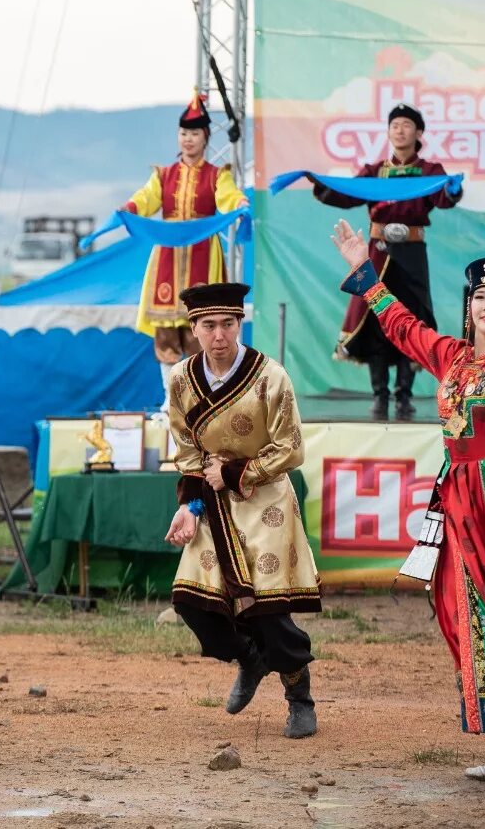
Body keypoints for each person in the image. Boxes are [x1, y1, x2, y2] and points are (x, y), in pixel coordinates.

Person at [331, 218, 485, 789]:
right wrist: (363, 271)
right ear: (468, 308)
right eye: (481, 297)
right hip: (458, 499)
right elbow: (399, 324)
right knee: (466, 614)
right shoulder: (451, 357)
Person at [163, 281, 321, 740]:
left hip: (266, 496)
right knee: (192, 601)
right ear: (193, 329)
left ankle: (299, 697)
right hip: (211, 500)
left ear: (239, 324)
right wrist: (191, 507)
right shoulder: (180, 380)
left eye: (228, 324)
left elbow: (291, 447)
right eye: (208, 325)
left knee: (269, 606)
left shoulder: (270, 376)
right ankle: (249, 658)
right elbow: (188, 452)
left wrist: (235, 474)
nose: (219, 335)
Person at [311, 103, 463, 421]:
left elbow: (442, 199)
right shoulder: (375, 170)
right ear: (389, 131)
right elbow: (348, 193)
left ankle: (404, 398)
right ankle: (380, 397)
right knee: (376, 322)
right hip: (377, 251)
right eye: (395, 125)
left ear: (418, 133)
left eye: (406, 124)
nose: (400, 129)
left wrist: (452, 188)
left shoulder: (429, 170)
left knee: (411, 321)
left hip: (411, 253)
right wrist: (322, 185)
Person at [121, 92, 249, 410]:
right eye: (183, 134)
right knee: (166, 332)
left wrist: (239, 204)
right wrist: (127, 209)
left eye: (194, 134)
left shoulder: (217, 175)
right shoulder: (163, 175)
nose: (188, 139)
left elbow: (228, 197)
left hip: (204, 257)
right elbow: (145, 199)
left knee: (200, 331)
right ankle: (170, 397)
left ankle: (197, 399)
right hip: (167, 259)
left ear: (205, 138)